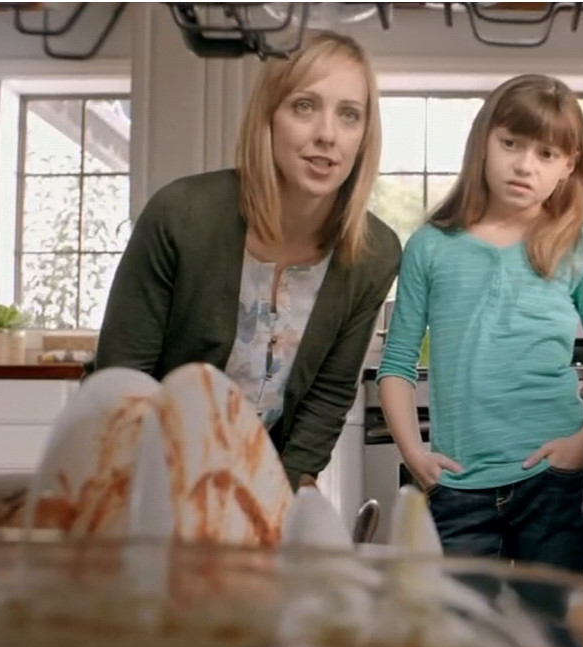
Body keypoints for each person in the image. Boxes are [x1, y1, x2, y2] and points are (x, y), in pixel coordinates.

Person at [90, 31, 400, 490]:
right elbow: (124, 380)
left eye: (349, 114)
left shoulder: (376, 253)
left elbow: (329, 394)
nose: (327, 134)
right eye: (304, 106)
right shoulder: (180, 216)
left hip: (261, 479)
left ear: (364, 135)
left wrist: (286, 495)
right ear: (268, 116)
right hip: (146, 468)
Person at [377, 74, 583, 575]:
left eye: (546, 154)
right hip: (457, 485)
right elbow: (397, 364)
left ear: (568, 165)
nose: (525, 164)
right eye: (511, 143)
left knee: (547, 620)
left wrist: (580, 446)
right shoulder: (429, 246)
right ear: (483, 141)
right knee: (463, 623)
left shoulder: (582, 248)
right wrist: (415, 456)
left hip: (553, 481)